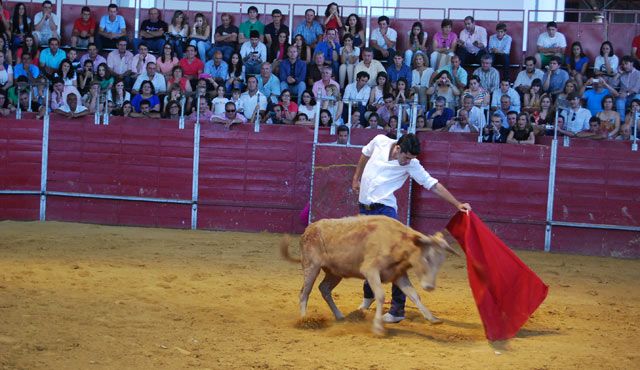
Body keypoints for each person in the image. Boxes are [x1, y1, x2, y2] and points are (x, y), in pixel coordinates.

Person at [352, 134, 470, 324]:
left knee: (395, 257)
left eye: (411, 159)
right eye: (406, 158)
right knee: (369, 255)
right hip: (364, 208)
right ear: (397, 148)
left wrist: (457, 204)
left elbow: (433, 184)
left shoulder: (412, 164)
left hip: (385, 211)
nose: (408, 162)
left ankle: (397, 309)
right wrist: (356, 178)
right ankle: (369, 296)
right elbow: (365, 154)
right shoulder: (380, 141)